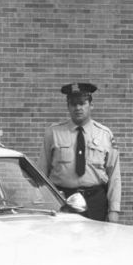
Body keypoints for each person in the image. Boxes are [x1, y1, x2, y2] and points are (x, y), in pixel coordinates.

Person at [39, 82, 121, 222]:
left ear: (91, 105)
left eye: (82, 103)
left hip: (96, 202)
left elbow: (114, 175)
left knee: (97, 242)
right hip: (63, 201)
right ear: (68, 107)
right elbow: (42, 171)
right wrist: (42, 204)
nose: (78, 108)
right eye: (73, 104)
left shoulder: (105, 134)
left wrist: (114, 209)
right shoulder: (53, 133)